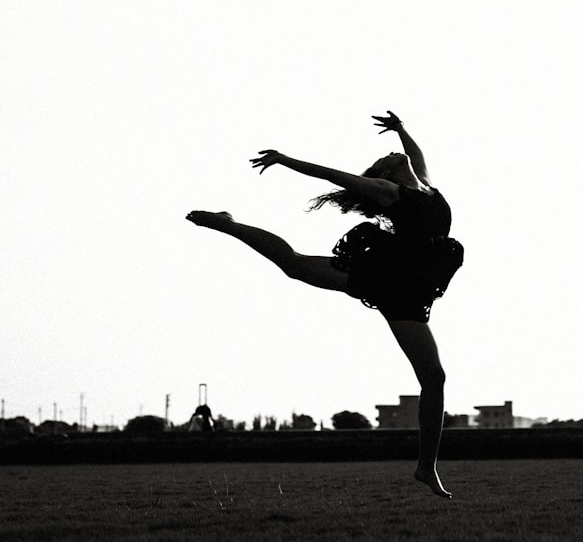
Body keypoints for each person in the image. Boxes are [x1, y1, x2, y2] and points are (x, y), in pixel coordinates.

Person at [186, 111, 464, 498]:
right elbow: (331, 175)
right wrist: (284, 160)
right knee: (295, 265)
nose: (392, 154)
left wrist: (402, 130)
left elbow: (416, 155)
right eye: (387, 158)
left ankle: (426, 468)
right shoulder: (388, 191)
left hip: (410, 287)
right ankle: (227, 224)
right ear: (382, 173)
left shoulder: (425, 185)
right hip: (388, 278)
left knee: (434, 379)